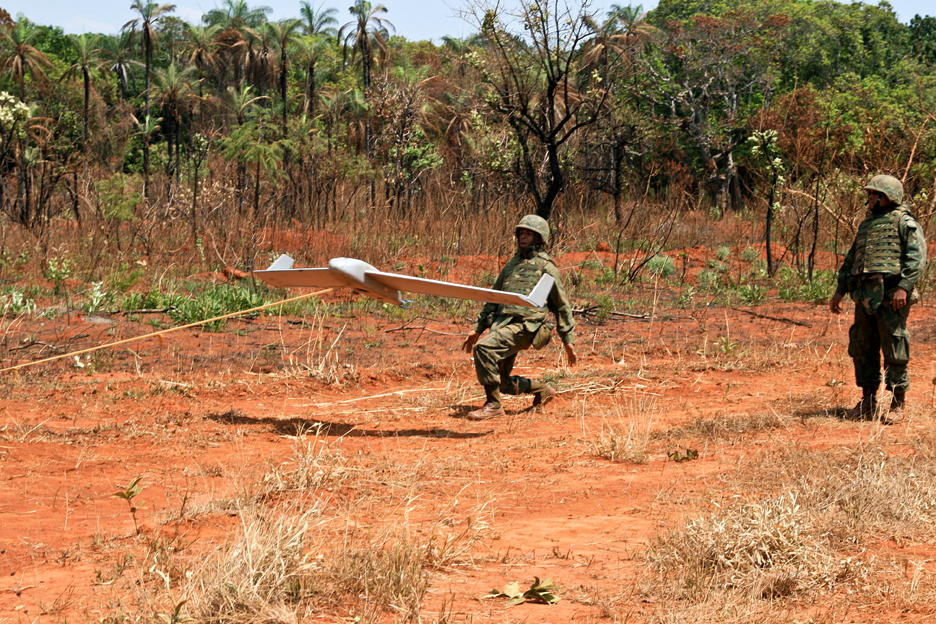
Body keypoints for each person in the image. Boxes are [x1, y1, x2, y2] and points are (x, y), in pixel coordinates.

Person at [829, 174, 927, 423]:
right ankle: (868, 402)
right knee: (863, 347)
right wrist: (841, 289)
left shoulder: (903, 222)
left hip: (891, 296)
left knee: (895, 347)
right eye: (870, 194)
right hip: (864, 297)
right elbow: (852, 260)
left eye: (877, 194)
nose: (871, 198)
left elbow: (916, 258)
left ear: (890, 197)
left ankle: (897, 403)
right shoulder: (866, 225)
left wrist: (904, 287)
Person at [462, 215, 577, 421]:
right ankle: (543, 391)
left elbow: (561, 305)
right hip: (503, 324)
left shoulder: (546, 267)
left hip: (526, 327)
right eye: (521, 233)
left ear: (539, 238)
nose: (522, 237)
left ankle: (493, 406)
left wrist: (568, 341)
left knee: (484, 348)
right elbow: (493, 298)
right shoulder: (511, 265)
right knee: (503, 383)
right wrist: (478, 328)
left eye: (528, 234)